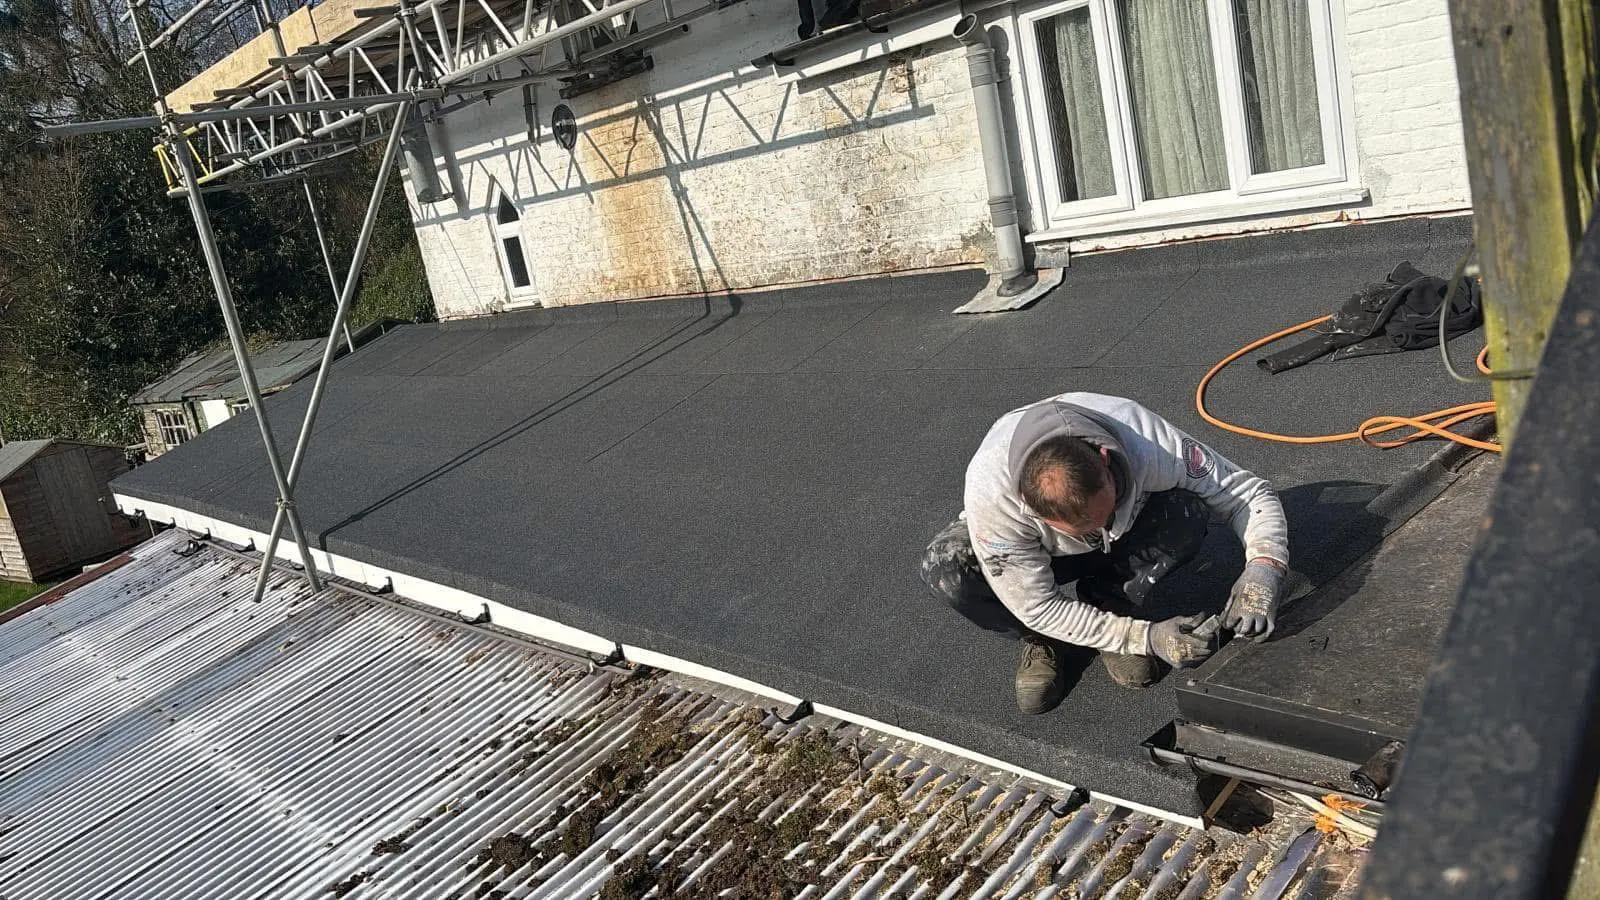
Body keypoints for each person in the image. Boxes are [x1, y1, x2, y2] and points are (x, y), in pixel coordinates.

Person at [920, 392, 1289, 714]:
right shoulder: (994, 497)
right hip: (1039, 556)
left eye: (1105, 513)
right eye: (1086, 528)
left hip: (1130, 531)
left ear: (1105, 459)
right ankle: (1044, 639)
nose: (1100, 530)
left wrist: (1264, 567)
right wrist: (1146, 638)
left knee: (1186, 509)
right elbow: (1035, 604)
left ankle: (1109, 602)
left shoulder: (1148, 442)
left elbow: (1247, 494)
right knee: (949, 570)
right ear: (1027, 506)